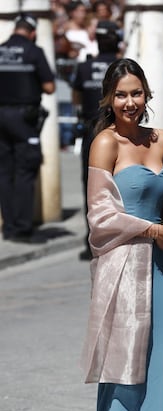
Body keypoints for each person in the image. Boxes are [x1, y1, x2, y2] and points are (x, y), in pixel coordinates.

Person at [72, 58, 163, 411]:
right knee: (126, 373)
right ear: (107, 99)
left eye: (136, 93)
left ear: (148, 96)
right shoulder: (104, 144)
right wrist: (151, 230)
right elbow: (98, 219)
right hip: (124, 272)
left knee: (162, 372)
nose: (129, 103)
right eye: (120, 95)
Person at [0, 13, 55, 243]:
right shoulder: (34, 52)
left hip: (1, 116)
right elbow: (50, 87)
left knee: (4, 173)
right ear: (32, 33)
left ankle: (9, 226)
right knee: (25, 172)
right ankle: (23, 228)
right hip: (24, 119)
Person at [72, 19, 122, 260]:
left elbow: (75, 97)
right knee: (117, 186)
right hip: (117, 131)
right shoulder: (122, 68)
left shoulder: (84, 68)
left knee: (90, 186)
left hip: (91, 130)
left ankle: (90, 238)